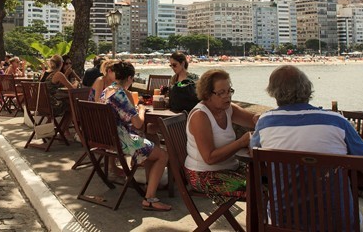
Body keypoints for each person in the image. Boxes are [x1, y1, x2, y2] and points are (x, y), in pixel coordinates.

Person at [250, 65, 363, 229]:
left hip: (284, 223)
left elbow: (253, 153)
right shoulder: (338, 122)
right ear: (307, 89)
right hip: (336, 225)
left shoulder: (264, 123)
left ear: (273, 93)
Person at [100, 60, 171, 212]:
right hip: (121, 141)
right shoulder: (120, 94)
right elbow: (138, 123)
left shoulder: (107, 90)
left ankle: (149, 185)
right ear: (130, 78)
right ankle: (150, 199)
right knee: (163, 155)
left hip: (107, 138)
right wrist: (141, 109)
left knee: (151, 140)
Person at [185, 68, 258, 205]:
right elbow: (209, 158)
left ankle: (265, 225)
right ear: (207, 95)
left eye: (229, 91)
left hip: (229, 168)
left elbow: (255, 121)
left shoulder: (227, 109)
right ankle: (258, 226)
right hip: (203, 175)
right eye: (221, 93)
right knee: (259, 188)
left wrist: (267, 119)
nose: (227, 96)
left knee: (273, 179)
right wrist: (241, 142)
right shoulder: (200, 116)